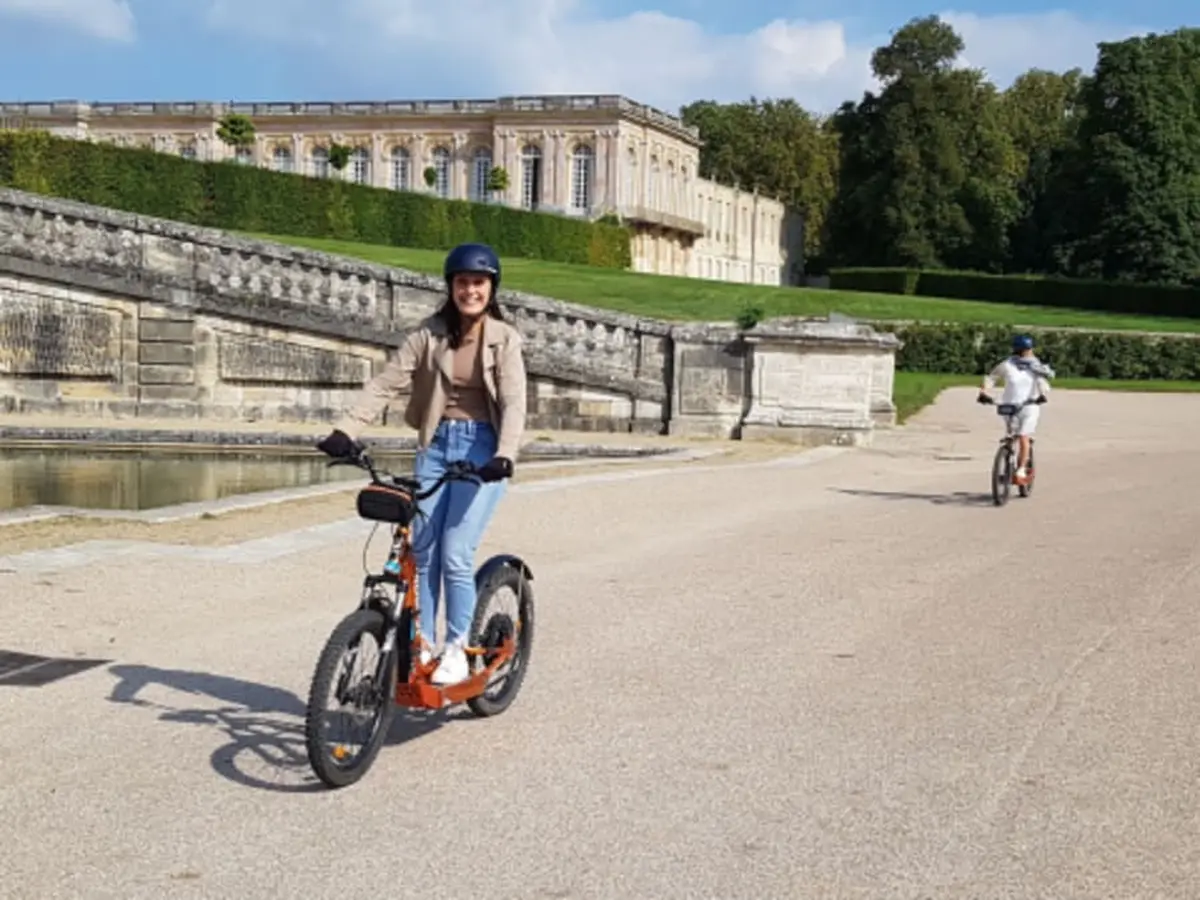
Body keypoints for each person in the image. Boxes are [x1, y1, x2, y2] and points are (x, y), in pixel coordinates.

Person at [315, 242, 527, 686]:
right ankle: (423, 644)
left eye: (479, 282)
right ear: (451, 287)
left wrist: (504, 455)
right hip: (435, 444)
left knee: (455, 551)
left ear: (492, 289)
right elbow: (385, 384)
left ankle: (456, 648)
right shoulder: (427, 336)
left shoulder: (505, 340)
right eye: (463, 282)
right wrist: (346, 430)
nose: (471, 290)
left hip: (484, 449)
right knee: (421, 550)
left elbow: (513, 403)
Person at [977, 334, 1054, 485]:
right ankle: (1007, 458)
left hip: (1029, 406)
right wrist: (984, 391)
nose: (1029, 352)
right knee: (1011, 435)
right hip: (1009, 405)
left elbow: (1042, 383)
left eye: (1029, 349)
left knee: (1023, 435)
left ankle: (1021, 470)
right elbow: (992, 377)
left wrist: (1042, 395)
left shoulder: (1036, 367)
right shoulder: (1007, 365)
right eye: (1027, 350)